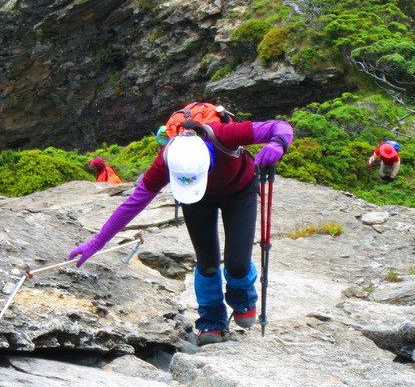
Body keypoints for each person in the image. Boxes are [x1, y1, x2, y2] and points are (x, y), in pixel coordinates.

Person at [68, 115, 294, 346]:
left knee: (238, 263)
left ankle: (243, 299)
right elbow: (133, 204)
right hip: (197, 200)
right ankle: (212, 320)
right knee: (207, 263)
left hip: (239, 191)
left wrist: (278, 143)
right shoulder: (167, 159)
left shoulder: (224, 135)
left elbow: (281, 126)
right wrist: (97, 242)